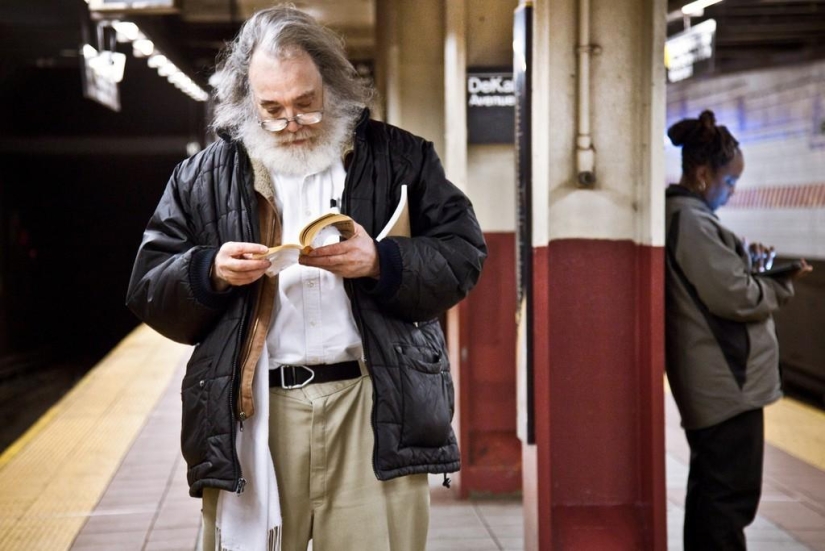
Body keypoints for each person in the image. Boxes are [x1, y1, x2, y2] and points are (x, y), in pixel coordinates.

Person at [125, 6, 487, 551]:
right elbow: (148, 286)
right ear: (246, 101)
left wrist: (383, 262)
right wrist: (210, 271)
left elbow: (463, 257)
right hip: (257, 412)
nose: (290, 122)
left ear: (333, 87)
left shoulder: (401, 158)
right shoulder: (202, 177)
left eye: (305, 105)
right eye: (270, 109)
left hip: (374, 404)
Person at [664, 109, 812, 551]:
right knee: (727, 500)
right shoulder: (690, 221)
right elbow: (736, 297)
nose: (731, 192)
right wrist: (779, 284)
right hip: (727, 386)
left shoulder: (687, 218)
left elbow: (723, 282)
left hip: (720, 382)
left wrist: (755, 268)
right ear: (704, 174)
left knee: (714, 495)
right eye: (729, 182)